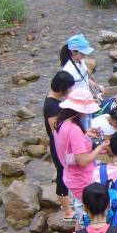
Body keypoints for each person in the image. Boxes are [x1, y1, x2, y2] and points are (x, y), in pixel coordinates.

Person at [54, 88, 109, 221]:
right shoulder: (74, 130)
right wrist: (99, 148)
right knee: (86, 215)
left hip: (70, 175)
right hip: (80, 180)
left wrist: (86, 134)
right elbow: (83, 161)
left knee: (81, 212)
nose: (87, 115)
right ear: (80, 112)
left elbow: (70, 149)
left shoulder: (62, 123)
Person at [44, 71, 76, 222]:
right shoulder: (51, 105)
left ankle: (69, 204)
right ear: (62, 88)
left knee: (66, 173)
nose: (70, 90)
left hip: (62, 145)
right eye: (68, 88)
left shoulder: (56, 99)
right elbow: (55, 129)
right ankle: (68, 211)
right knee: (62, 175)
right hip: (58, 146)